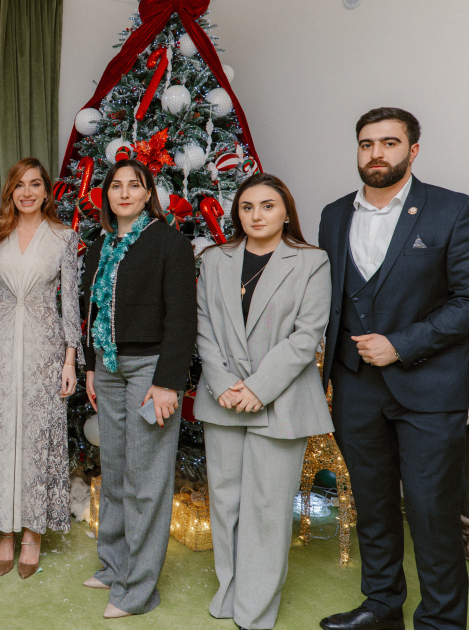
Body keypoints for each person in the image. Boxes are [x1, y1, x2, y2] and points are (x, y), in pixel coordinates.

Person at [318, 108, 469, 630]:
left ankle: (442, 621)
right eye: (366, 143)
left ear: (413, 150)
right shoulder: (334, 214)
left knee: (430, 512)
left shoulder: (453, 210)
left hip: (430, 388)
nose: (376, 153)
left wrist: (400, 345)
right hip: (355, 387)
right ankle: (382, 606)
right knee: (373, 505)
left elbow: (467, 301)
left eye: (389, 142)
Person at [195, 173, 332, 630]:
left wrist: (257, 388)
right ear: (237, 213)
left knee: (268, 508)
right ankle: (231, 592)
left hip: (281, 400)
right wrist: (223, 383)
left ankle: (255, 609)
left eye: (268, 206)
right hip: (223, 399)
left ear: (285, 211)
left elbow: (307, 335)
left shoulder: (311, 261)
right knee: (226, 504)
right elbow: (203, 327)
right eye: (247, 206)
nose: (257, 215)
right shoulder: (215, 259)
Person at [81, 158, 197, 619]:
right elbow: (92, 312)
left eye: (135, 185)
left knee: (146, 480)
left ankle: (139, 589)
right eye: (116, 186)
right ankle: (114, 566)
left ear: (149, 194)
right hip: (108, 366)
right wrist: (92, 367)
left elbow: (182, 318)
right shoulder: (100, 245)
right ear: (106, 195)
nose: (125, 192)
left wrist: (168, 382)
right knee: (114, 469)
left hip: (151, 370)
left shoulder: (170, 243)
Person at [0, 157, 82, 578]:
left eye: (35, 184)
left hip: (45, 349)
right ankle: (5, 528)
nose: (27, 192)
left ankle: (33, 531)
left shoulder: (63, 237)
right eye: (19, 185)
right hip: (1, 345)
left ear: (46, 190)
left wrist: (70, 360)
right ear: (10, 192)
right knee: (3, 435)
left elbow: (70, 304)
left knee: (38, 436)